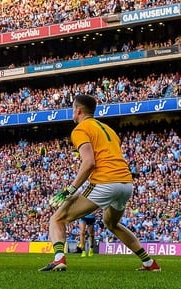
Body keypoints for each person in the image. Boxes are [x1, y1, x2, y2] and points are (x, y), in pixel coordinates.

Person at [39, 94, 160, 272]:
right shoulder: (108, 129)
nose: (73, 112)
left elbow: (89, 163)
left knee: (57, 218)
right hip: (125, 184)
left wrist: (70, 190)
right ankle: (150, 263)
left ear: (78, 110)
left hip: (105, 182)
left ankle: (59, 259)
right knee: (111, 223)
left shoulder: (80, 129)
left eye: (73, 109)